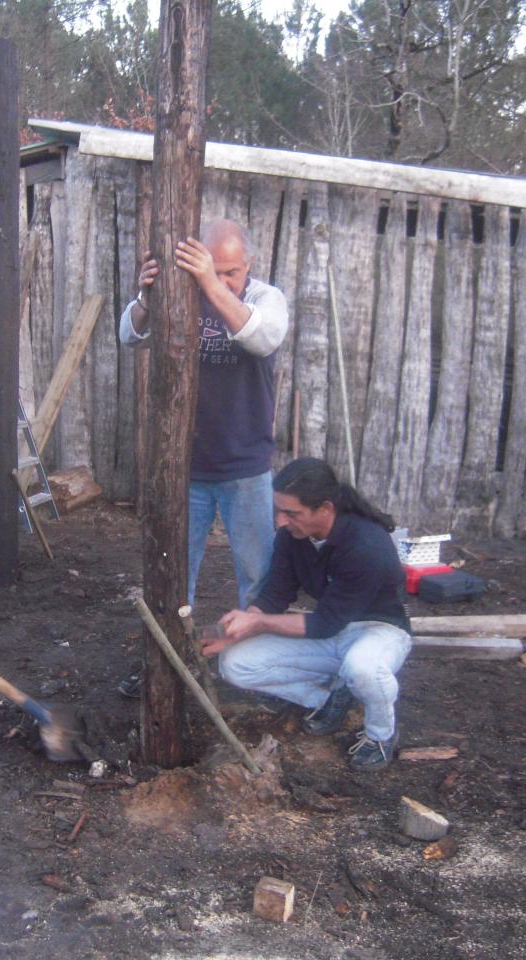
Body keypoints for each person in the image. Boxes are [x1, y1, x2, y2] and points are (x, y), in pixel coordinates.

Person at [117, 218, 289, 697]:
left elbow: (262, 339)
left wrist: (212, 283)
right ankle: (166, 660)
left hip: (245, 465)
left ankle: (258, 665)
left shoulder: (264, 299)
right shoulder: (180, 296)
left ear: (248, 265)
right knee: (173, 574)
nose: (224, 279)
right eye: (215, 270)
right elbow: (129, 336)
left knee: (258, 576)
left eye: (232, 271)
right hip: (184, 468)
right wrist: (149, 299)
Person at [202, 457, 411, 770]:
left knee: (363, 668)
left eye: (291, 513)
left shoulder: (367, 545)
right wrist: (235, 632)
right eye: (280, 511)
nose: (281, 522)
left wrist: (256, 622)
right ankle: (328, 700)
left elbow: (324, 622)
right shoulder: (293, 537)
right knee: (234, 664)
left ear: (325, 509)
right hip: (333, 631)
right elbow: (276, 594)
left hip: (379, 631)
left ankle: (381, 735)